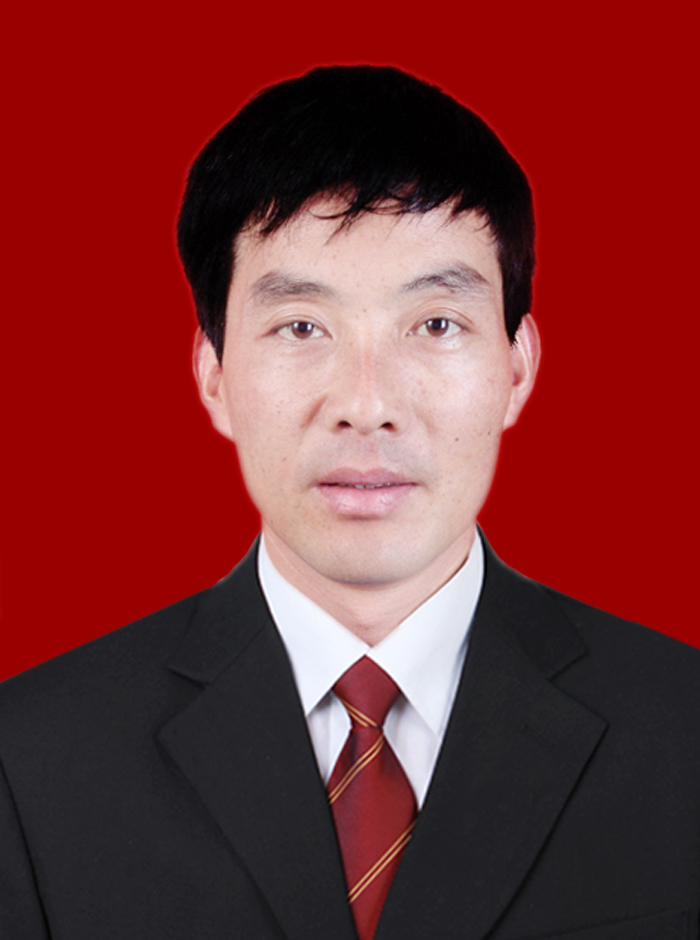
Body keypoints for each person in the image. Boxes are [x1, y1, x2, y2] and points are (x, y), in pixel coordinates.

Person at [0, 65, 698, 940]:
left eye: (436, 324)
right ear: (213, 375)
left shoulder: (684, 733)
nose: (366, 404)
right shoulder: (31, 761)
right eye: (301, 327)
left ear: (517, 369)